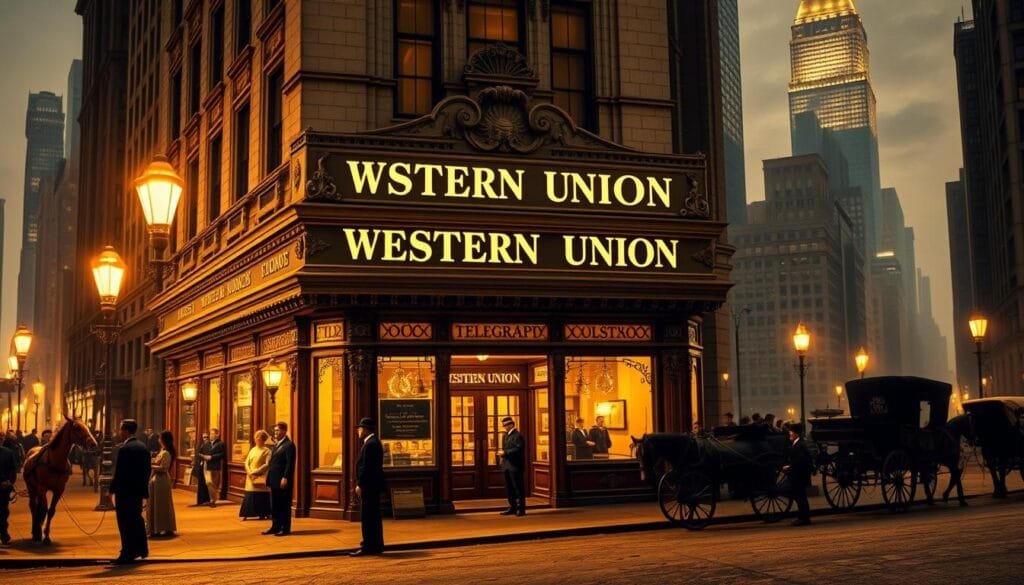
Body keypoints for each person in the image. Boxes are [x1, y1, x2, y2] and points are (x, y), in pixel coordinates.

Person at [109, 419, 151, 564]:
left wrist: (111, 490)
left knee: (125, 523)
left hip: (124, 492)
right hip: (137, 492)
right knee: (137, 520)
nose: (120, 432)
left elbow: (119, 473)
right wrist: (144, 491)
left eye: (121, 429)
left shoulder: (124, 449)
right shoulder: (143, 447)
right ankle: (141, 549)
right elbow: (147, 471)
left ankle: (127, 551)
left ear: (126, 431)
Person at [351, 417, 384, 556]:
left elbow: (366, 467)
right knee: (373, 516)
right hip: (373, 486)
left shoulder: (370, 444)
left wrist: (360, 484)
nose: (358, 431)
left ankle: (368, 546)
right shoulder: (373, 442)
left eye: (359, 428)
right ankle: (376, 545)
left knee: (368, 517)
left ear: (365, 429)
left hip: (369, 486)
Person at [264, 422, 295, 537]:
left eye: (277, 430)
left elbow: (290, 464)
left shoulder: (289, 445)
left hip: (282, 480)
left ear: (284, 431)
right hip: (274, 479)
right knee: (275, 504)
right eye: (275, 430)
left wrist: (285, 477)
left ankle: (285, 528)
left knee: (284, 504)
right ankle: (275, 526)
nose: (275, 432)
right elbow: (273, 463)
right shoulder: (276, 445)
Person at [147, 430, 177, 537]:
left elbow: (164, 468)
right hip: (157, 480)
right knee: (157, 504)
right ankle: (157, 528)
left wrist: (150, 465)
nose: (158, 440)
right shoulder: (162, 451)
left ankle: (161, 527)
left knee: (161, 505)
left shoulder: (166, 453)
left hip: (161, 480)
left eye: (160, 438)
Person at [784, 422, 812, 526]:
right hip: (799, 475)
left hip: (799, 475)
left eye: (791, 432)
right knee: (800, 497)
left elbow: (799, 461)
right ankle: (803, 517)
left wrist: (789, 467)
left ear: (796, 434)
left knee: (800, 497)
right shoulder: (799, 444)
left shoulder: (799, 445)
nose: (789, 434)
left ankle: (804, 518)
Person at [240, 430, 272, 520]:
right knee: (249, 495)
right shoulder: (253, 449)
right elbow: (247, 462)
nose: (257, 439)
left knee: (261, 495)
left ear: (263, 439)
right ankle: (246, 514)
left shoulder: (267, 451)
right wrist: (249, 471)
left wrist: (255, 471)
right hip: (250, 476)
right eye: (256, 437)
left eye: (259, 437)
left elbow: (267, 464)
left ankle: (263, 513)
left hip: (259, 475)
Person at [497, 416, 525, 516]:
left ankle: (520, 508)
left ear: (512, 425)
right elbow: (504, 448)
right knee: (509, 488)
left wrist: (505, 453)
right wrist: (502, 457)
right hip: (507, 465)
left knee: (518, 488)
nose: (505, 427)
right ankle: (512, 507)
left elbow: (518, 449)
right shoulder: (505, 435)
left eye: (506, 425)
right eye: (504, 425)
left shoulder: (518, 436)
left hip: (515, 465)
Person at [201, 428, 225, 507]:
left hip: (215, 465)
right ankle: (213, 499)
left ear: (217, 435)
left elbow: (222, 455)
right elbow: (200, 451)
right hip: (206, 464)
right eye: (210, 434)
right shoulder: (206, 443)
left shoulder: (221, 443)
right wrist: (202, 456)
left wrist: (211, 457)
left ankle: (213, 500)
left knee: (214, 483)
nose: (210, 435)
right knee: (208, 482)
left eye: (212, 434)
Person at [0, 439, 16, 545]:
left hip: (3, 488)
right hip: (3, 484)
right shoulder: (8, 452)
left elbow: (13, 470)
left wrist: (9, 482)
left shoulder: (8, 452)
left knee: (3, 512)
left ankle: (4, 534)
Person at [191, 432, 211, 506]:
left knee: (204, 484)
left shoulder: (208, 445)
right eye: (203, 437)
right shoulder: (201, 444)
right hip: (200, 465)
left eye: (206, 437)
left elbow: (206, 456)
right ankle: (201, 500)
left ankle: (204, 500)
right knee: (201, 484)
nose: (205, 438)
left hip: (205, 466)